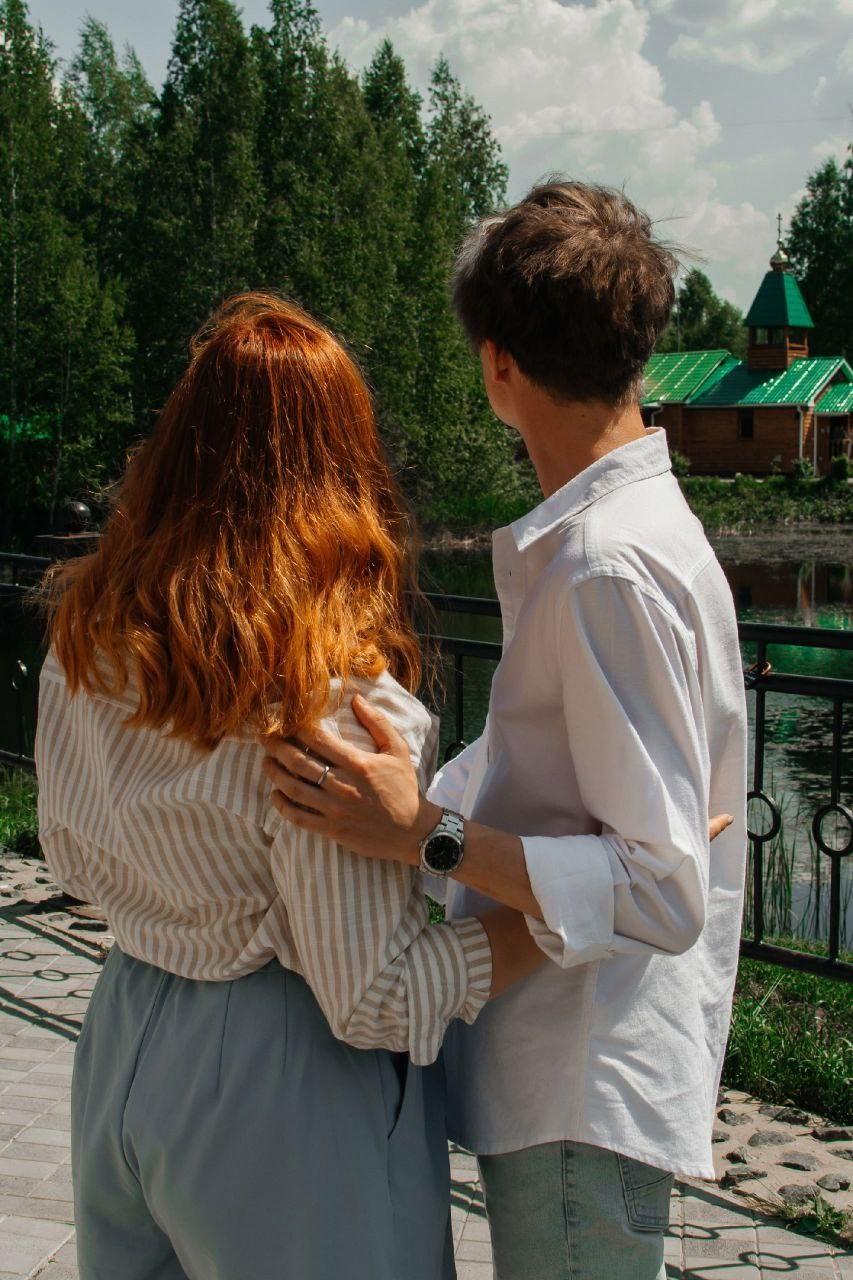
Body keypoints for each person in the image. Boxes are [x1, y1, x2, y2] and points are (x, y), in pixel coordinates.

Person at [262, 182, 749, 1280]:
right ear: (636, 348)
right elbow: (570, 786)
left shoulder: (604, 566)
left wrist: (424, 835)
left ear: (496, 366)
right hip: (583, 1075)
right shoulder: (629, 536)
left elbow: (660, 888)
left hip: (582, 1080)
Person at [35, 292, 548, 1280]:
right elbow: (374, 998)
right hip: (279, 1076)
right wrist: (561, 916)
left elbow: (70, 854)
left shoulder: (88, 638)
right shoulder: (328, 702)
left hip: (124, 1030)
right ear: (342, 469)